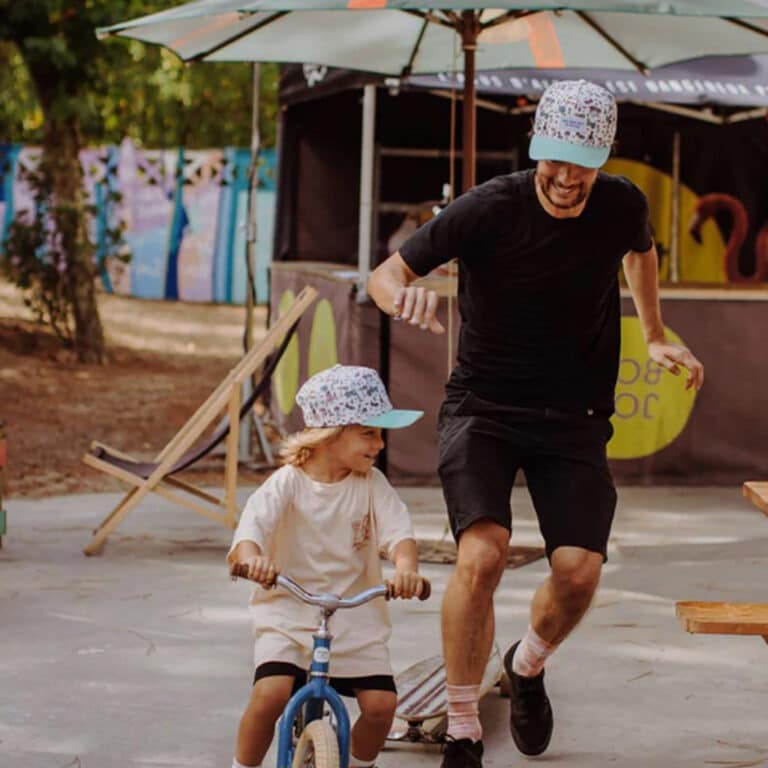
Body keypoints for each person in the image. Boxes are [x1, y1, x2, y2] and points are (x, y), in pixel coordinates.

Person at [367, 79, 704, 768]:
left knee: (578, 572)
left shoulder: (621, 205)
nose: (565, 175)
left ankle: (526, 665)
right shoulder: (490, 207)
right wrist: (404, 297)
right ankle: (463, 727)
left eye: (581, 160)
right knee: (482, 554)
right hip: (484, 407)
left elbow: (640, 249)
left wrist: (657, 331)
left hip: (575, 413)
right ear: (536, 148)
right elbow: (385, 274)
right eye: (553, 156)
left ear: (602, 157)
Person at [227, 364, 427, 768]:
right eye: (369, 432)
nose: (380, 444)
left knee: (381, 706)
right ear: (329, 436)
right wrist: (252, 560)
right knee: (270, 695)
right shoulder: (288, 482)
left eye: (381, 433)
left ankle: (357, 763)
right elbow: (252, 530)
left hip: (354, 617)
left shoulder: (371, 485)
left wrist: (406, 567)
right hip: (287, 611)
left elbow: (399, 534)